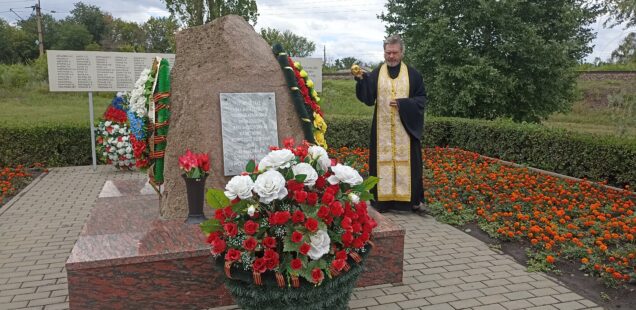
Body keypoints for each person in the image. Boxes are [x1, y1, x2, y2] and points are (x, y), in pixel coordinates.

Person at [353, 34, 427, 213]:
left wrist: (404, 104)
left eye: (394, 53)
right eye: (388, 53)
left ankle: (410, 203)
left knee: (409, 164)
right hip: (382, 132)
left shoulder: (413, 74)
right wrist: (361, 80)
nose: (391, 56)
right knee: (381, 163)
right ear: (384, 53)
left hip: (405, 131)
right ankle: (382, 202)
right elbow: (369, 98)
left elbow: (422, 99)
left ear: (402, 53)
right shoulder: (377, 73)